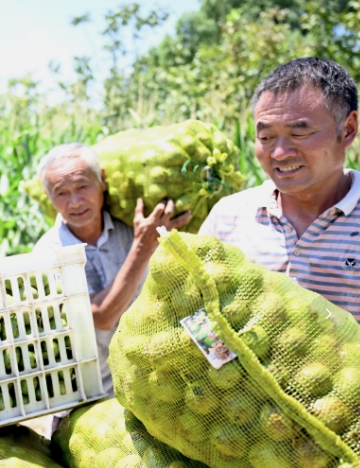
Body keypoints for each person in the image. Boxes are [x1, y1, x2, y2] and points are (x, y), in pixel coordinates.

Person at [199, 58, 360, 321]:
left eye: (299, 134)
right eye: (266, 137)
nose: (280, 153)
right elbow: (195, 312)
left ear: (348, 129)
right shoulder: (227, 217)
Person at [32, 143, 191, 394]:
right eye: (61, 192)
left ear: (102, 180)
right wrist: (141, 249)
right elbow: (101, 316)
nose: (75, 202)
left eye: (83, 187)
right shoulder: (47, 254)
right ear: (48, 196)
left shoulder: (136, 228)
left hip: (155, 387)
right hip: (89, 398)